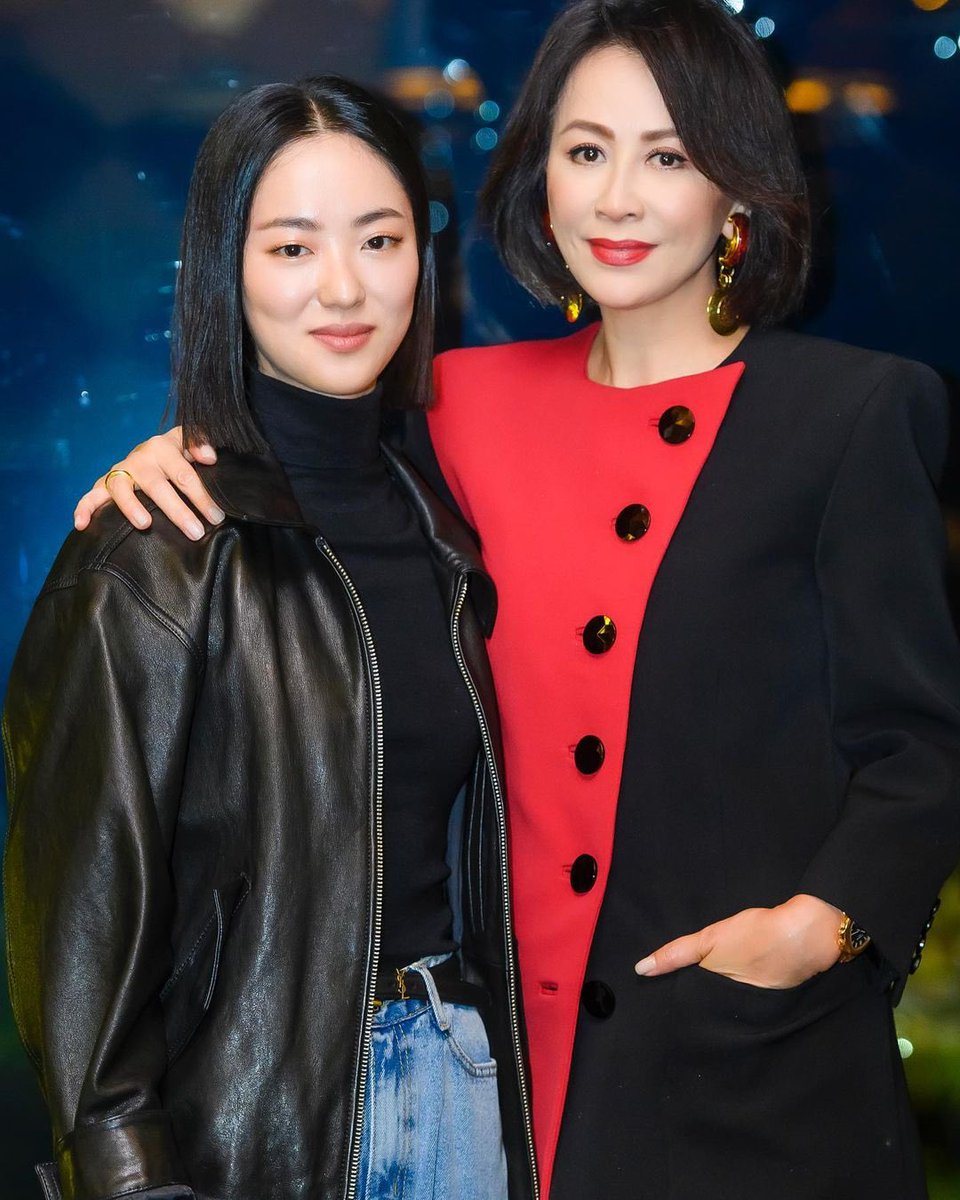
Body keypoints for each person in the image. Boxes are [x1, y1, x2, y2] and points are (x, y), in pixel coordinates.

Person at [70, 2, 960, 1197]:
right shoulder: (458, 405)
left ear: (739, 193)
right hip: (494, 1084)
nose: (619, 199)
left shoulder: (851, 414)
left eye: (670, 156)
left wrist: (821, 927)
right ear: (541, 180)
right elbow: (309, 429)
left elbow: (918, 746)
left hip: (745, 1075)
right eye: (586, 152)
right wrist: (175, 452)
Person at [3, 76, 539, 1200]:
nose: (344, 287)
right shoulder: (156, 549)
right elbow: (79, 926)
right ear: (224, 272)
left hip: (463, 1087)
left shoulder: (446, 522)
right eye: (291, 248)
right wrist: (128, 1181)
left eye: (380, 238)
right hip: (249, 1136)